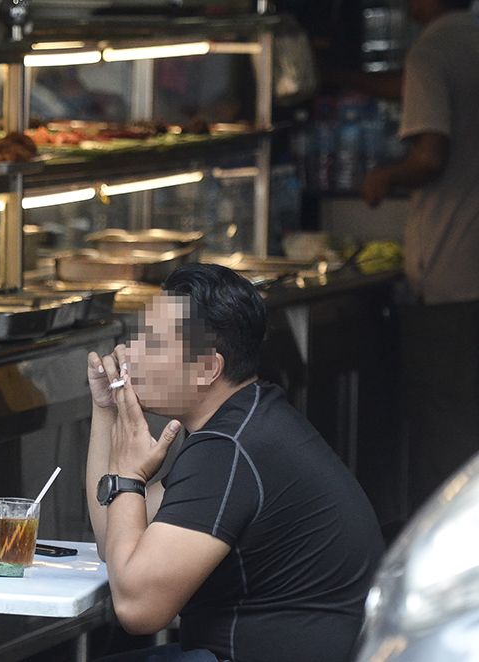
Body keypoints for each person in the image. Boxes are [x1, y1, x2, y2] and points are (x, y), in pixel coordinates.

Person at [85, 264, 383, 662]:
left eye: (153, 344)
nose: (130, 356)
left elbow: (137, 609)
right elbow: (112, 541)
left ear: (208, 367)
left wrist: (127, 475)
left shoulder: (228, 448)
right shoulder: (246, 420)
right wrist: (107, 410)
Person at [361, 0, 479, 512]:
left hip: (450, 274)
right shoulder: (470, 38)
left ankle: (449, 582)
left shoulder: (431, 48)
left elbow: (431, 154)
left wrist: (385, 176)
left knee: (447, 440)